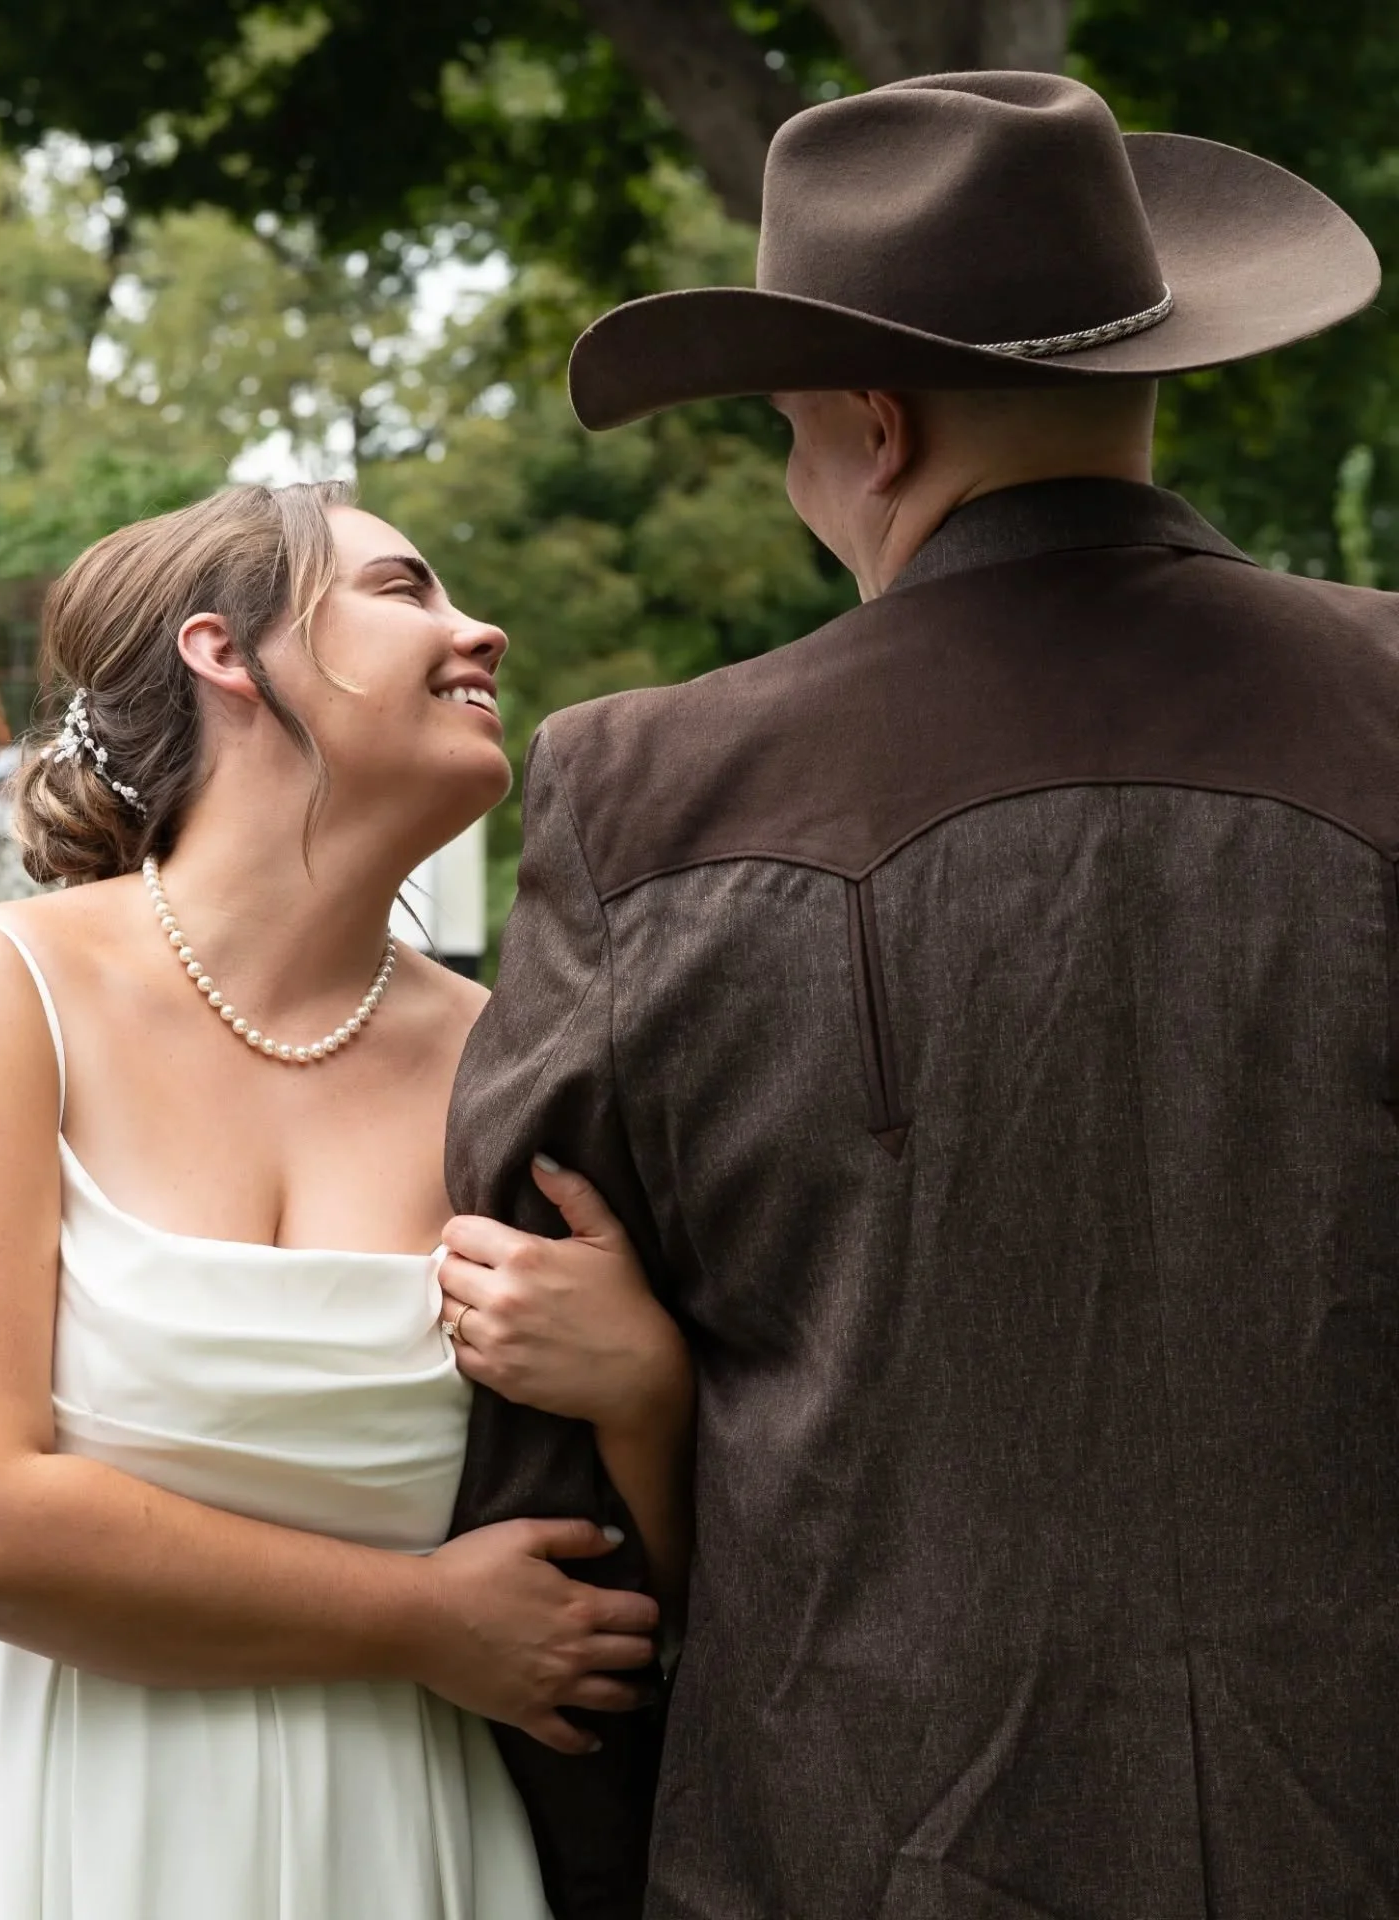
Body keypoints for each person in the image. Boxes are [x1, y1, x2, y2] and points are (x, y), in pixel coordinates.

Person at [446, 71, 1399, 1920]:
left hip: (844, 1848)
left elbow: (543, 1481)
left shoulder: (646, 792)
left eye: (793, 447)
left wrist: (611, 1851)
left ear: (874, 431)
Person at [0, 480, 693, 1920]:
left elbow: (669, 1595)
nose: (479, 629)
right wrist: (423, 1619)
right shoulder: (3, 995)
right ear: (223, 652)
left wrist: (647, 1392)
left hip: (415, 1836)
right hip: (79, 1820)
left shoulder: (521, 1062)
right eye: (403, 588)